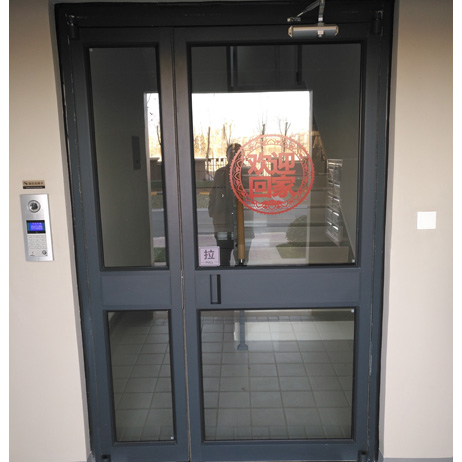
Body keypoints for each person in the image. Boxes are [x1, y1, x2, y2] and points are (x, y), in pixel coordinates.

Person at [208, 143, 253, 266]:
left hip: (243, 224)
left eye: (238, 155)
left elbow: (253, 196)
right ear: (227, 156)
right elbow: (213, 195)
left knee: (242, 261)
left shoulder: (248, 173)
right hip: (223, 223)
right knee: (223, 260)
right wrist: (213, 211)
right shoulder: (220, 173)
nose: (234, 158)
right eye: (231, 155)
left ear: (242, 157)